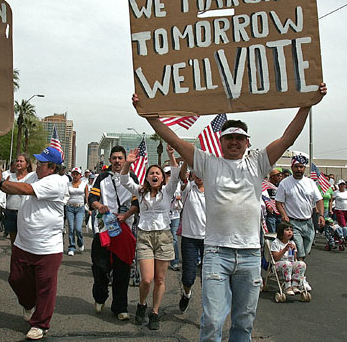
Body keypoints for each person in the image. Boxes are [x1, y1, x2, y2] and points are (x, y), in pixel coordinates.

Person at [132, 82, 327, 342]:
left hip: (250, 254)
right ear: (220, 142)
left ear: (247, 142)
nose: (234, 142)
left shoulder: (259, 161)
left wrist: (306, 105)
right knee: (212, 321)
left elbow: (287, 138)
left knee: (243, 323)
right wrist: (147, 114)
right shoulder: (207, 163)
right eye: (229, 138)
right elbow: (174, 140)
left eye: (239, 138)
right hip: (215, 253)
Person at [0, 146, 67, 340]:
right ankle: (29, 304)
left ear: (52, 167)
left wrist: (1, 182)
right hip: (23, 243)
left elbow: (24, 189)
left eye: (41, 163)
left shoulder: (57, 182)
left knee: (45, 287)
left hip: (47, 247)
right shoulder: (33, 177)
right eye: (36, 162)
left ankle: (40, 324)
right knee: (15, 279)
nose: (37, 166)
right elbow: (18, 179)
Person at [119, 147, 177, 330]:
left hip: (164, 236)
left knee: (160, 279)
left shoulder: (167, 191)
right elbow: (124, 179)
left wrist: (171, 156)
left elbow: (175, 174)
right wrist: (128, 162)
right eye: (151, 173)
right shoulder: (140, 191)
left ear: (162, 178)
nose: (154, 175)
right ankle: (142, 304)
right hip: (144, 235)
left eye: (158, 173)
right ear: (147, 177)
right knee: (146, 279)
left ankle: (155, 313)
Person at [88, 146, 140, 321]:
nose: (117, 161)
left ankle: (120, 307)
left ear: (125, 160)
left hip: (124, 230)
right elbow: (92, 199)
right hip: (103, 228)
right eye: (114, 158)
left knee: (122, 270)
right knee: (100, 267)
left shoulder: (132, 178)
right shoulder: (101, 178)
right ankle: (100, 296)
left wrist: (126, 215)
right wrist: (99, 207)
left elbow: (137, 202)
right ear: (109, 160)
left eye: (120, 158)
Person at [275, 155, 325, 263]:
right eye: (296, 166)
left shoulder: (310, 183)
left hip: (308, 222)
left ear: (304, 168)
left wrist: (321, 215)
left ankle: (297, 268)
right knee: (299, 249)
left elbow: (319, 200)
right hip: (293, 222)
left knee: (306, 249)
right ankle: (299, 276)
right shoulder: (285, 183)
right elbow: (278, 202)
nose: (299, 169)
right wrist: (284, 215)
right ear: (292, 167)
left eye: (301, 167)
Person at [177, 163, 206, 314]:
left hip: (209, 240)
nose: (199, 175)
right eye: (196, 172)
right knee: (188, 277)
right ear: (192, 174)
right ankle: (186, 293)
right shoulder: (188, 188)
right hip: (189, 238)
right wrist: (186, 163)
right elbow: (182, 177)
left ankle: (209, 311)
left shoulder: (213, 189)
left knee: (209, 278)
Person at [4, 153, 34, 245]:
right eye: (17, 161)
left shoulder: (32, 177)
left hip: (25, 213)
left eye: (21, 161)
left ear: (27, 164)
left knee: (25, 241)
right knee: (13, 242)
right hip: (11, 212)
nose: (18, 163)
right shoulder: (10, 177)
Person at [269, 222, 307, 296]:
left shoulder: (292, 242)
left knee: (301, 264)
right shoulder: (276, 242)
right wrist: (284, 250)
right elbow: (276, 258)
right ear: (281, 232)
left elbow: (294, 258)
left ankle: (295, 284)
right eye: (287, 230)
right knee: (287, 264)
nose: (290, 232)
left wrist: (293, 250)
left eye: (291, 230)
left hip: (290, 262)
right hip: (278, 264)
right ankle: (287, 286)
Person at [66, 167, 89, 256]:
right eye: (74, 174)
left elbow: (86, 197)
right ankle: (71, 247)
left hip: (80, 208)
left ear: (80, 175)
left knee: (78, 229)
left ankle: (80, 242)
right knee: (71, 228)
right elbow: (65, 195)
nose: (75, 176)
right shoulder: (68, 184)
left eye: (77, 174)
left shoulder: (84, 184)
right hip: (70, 208)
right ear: (71, 175)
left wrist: (89, 208)